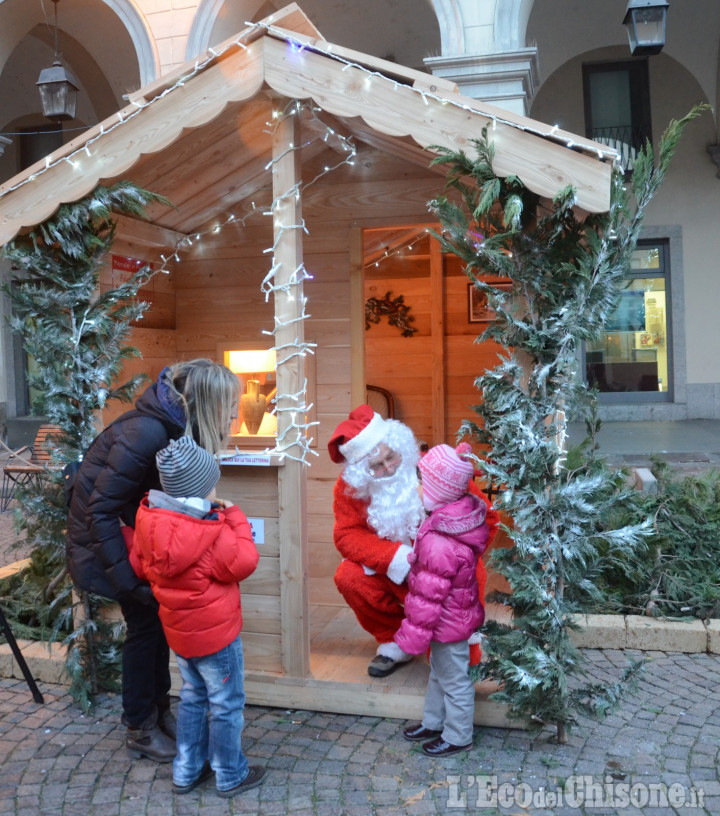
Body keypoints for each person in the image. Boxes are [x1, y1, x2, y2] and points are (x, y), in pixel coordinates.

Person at [66, 359, 239, 762]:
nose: (233, 415)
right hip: (108, 549)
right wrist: (127, 581)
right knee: (145, 629)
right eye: (228, 405)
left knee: (157, 627)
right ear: (206, 402)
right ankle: (140, 726)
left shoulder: (168, 426)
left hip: (129, 547)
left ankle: (158, 713)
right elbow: (100, 511)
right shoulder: (146, 432)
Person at [128, 435, 264, 797]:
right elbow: (245, 561)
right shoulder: (209, 530)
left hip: (180, 633)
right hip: (216, 638)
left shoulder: (150, 522)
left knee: (192, 697)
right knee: (226, 703)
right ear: (203, 487)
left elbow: (138, 565)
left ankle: (186, 771)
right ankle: (230, 773)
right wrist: (234, 515)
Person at [396, 442, 490, 758]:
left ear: (439, 489)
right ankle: (434, 722)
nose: (420, 487)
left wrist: (413, 634)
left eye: (425, 481)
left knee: (454, 680)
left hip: (447, 623)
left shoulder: (440, 539)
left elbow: (428, 595)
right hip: (452, 619)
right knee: (439, 672)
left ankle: (458, 735)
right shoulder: (446, 522)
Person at [328, 404, 426, 678]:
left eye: (391, 457)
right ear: (362, 472)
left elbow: (479, 516)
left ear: (400, 448)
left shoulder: (432, 465)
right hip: (393, 575)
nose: (389, 467)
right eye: (376, 466)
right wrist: (396, 558)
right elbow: (346, 535)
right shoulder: (350, 489)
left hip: (442, 576)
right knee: (348, 576)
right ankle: (394, 639)